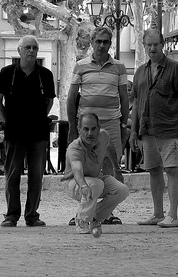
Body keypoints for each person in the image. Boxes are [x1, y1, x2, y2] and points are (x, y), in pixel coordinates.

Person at [130, 28, 178, 228]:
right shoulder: (140, 71)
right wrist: (133, 131)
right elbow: (136, 102)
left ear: (162, 44)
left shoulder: (175, 68)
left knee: (172, 169)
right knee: (154, 171)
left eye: (156, 44)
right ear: (144, 46)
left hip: (170, 129)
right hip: (147, 130)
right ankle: (158, 213)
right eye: (149, 44)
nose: (152, 48)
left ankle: (172, 215)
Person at [67, 26, 129, 225]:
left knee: (110, 165)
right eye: (98, 41)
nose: (102, 45)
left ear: (110, 44)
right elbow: (71, 98)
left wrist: (123, 124)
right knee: (85, 167)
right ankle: (83, 210)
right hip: (87, 126)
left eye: (106, 42)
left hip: (110, 123)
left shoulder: (119, 67)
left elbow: (124, 97)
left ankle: (104, 213)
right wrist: (72, 126)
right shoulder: (81, 65)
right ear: (92, 43)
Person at [0, 35, 56, 227]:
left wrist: (39, 119)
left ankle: (32, 215)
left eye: (35, 48)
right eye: (27, 47)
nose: (31, 51)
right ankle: (11, 215)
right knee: (12, 174)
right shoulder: (7, 73)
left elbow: (50, 101)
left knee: (36, 175)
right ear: (19, 50)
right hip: (14, 132)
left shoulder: (45, 74)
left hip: (38, 133)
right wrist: (7, 122)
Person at [61, 113, 129, 234]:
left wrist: (117, 169)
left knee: (122, 190)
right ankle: (81, 220)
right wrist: (83, 185)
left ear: (99, 128)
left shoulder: (103, 136)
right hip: (74, 182)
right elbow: (77, 170)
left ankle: (96, 218)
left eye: (93, 129)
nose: (90, 133)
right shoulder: (74, 148)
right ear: (79, 129)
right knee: (96, 184)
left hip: (95, 179)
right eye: (86, 129)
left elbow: (110, 147)